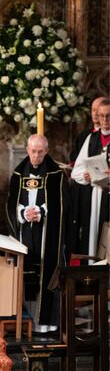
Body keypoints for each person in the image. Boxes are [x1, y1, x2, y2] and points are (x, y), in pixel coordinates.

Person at [6, 134, 69, 333]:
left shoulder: (56, 174)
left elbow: (63, 204)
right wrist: (23, 213)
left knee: (46, 272)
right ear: (27, 150)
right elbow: (10, 203)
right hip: (26, 231)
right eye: (33, 151)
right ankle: (25, 321)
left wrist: (42, 211)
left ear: (46, 151)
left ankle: (46, 324)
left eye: (40, 152)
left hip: (46, 231)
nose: (36, 156)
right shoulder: (18, 173)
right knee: (28, 273)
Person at [70, 98, 110, 257]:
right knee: (94, 238)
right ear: (97, 117)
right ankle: (95, 277)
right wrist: (86, 176)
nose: (105, 120)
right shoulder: (91, 139)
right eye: (101, 116)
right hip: (95, 198)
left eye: (108, 116)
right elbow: (76, 172)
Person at [69, 96, 106, 164]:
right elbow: (74, 160)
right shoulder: (83, 135)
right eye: (93, 110)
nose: (95, 114)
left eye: (98, 110)